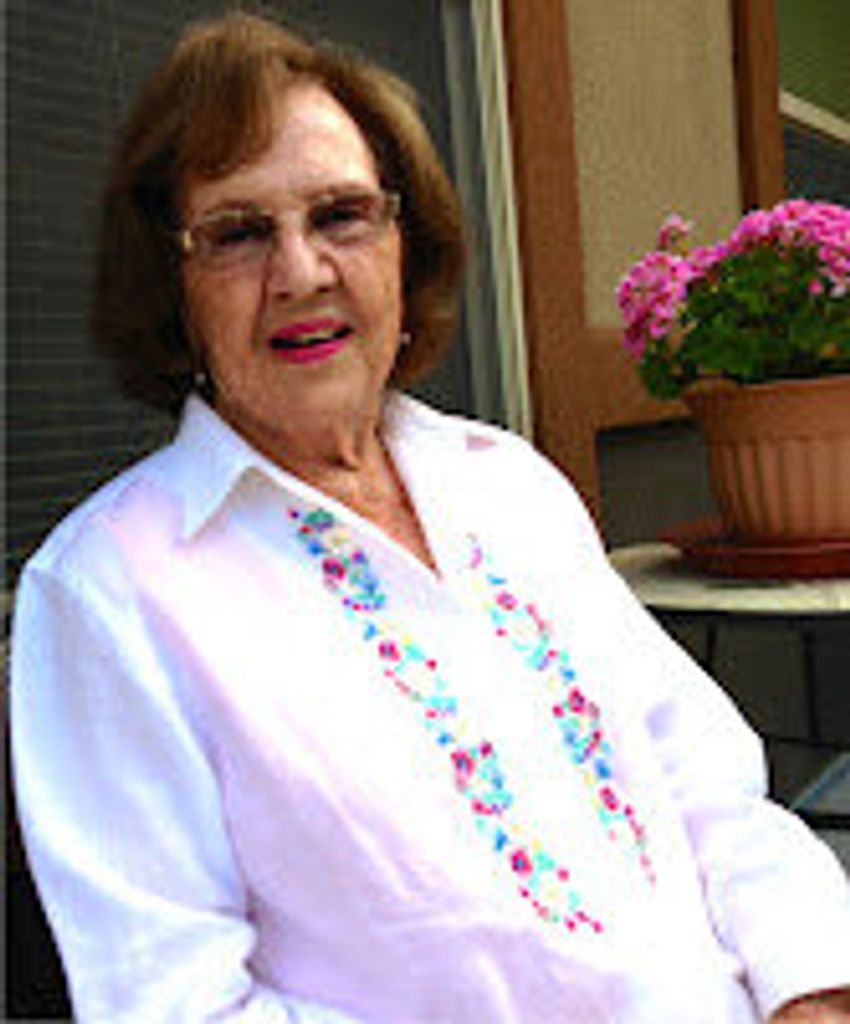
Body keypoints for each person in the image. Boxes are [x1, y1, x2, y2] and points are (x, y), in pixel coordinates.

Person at [9, 10, 850, 1023]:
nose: (301, 272)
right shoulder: (110, 593)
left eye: (340, 215)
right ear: (171, 285)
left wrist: (811, 991)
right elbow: (176, 1002)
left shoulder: (508, 485)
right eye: (237, 233)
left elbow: (709, 790)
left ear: (406, 249)